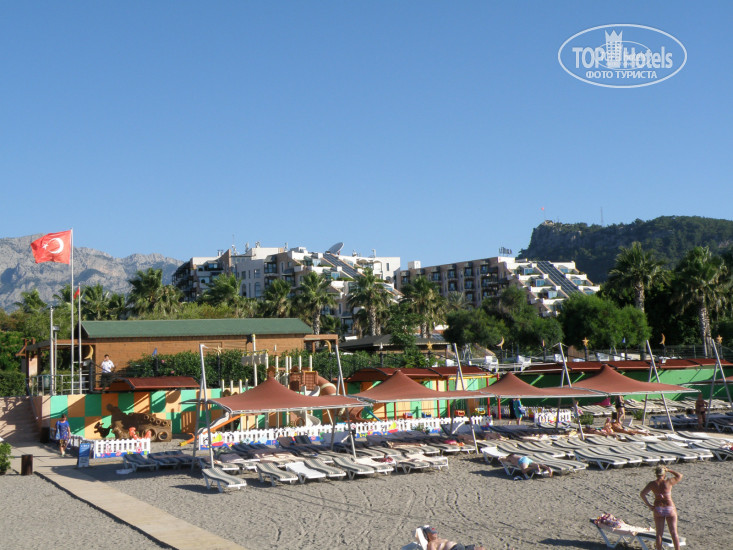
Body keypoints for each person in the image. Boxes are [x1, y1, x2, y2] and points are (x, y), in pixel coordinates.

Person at [640, 465, 683, 550]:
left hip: (658, 508)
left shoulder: (652, 484)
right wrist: (669, 470)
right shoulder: (668, 482)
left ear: (656, 474)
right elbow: (679, 475)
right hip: (669, 507)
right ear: (664, 474)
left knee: (659, 534)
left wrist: (649, 505)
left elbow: (642, 494)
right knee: (674, 533)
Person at [417, 526, 486, 550]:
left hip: (461, 547)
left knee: (481, 549)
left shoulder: (439, 539)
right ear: (428, 535)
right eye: (432, 533)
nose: (435, 534)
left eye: (435, 532)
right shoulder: (431, 544)